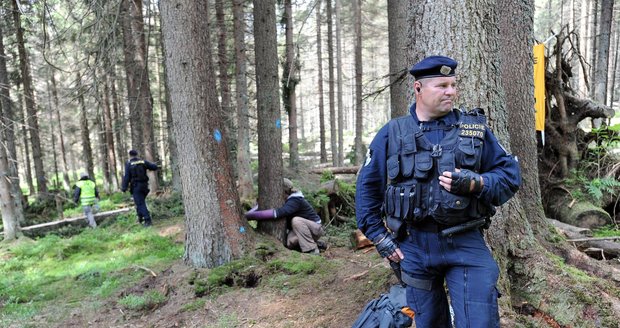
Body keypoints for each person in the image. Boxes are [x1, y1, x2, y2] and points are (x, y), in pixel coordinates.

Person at [355, 55, 521, 327]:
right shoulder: (392, 133)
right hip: (414, 247)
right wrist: (380, 238)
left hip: (465, 242)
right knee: (429, 322)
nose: (451, 92)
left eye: (453, 85)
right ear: (418, 88)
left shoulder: (475, 130)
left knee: (480, 322)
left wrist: (476, 183)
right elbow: (367, 191)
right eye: (442, 85)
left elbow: (510, 177)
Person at [245, 178, 325, 255]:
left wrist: (249, 216)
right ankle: (316, 243)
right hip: (302, 230)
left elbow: (279, 213)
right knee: (290, 243)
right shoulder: (287, 200)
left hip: (315, 229)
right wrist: (247, 215)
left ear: (284, 191)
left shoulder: (295, 200)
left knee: (296, 220)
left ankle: (312, 249)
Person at [121, 149, 158, 227]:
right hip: (145, 186)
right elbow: (154, 167)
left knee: (140, 203)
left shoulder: (129, 164)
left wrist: (124, 188)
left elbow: (127, 177)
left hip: (136, 187)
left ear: (130, 155)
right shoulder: (142, 161)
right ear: (137, 155)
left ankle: (148, 220)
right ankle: (140, 219)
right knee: (139, 202)